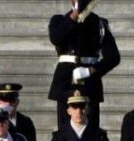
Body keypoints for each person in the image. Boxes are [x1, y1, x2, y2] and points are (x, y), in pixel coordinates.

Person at [48, 0, 120, 129]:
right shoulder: (59, 20)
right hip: (66, 82)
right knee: (65, 130)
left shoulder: (99, 23)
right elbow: (56, 38)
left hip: (90, 82)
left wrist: (91, 71)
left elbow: (113, 57)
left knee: (90, 129)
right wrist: (75, 14)